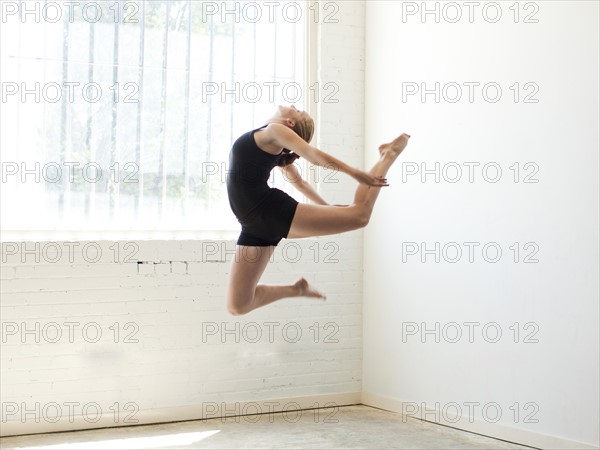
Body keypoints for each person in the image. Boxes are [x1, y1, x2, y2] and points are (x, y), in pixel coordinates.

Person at [226, 105, 410, 315]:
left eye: (298, 111)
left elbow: (312, 155)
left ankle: (387, 155)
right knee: (238, 305)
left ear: (290, 123)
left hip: (269, 212)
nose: (295, 107)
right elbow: (300, 183)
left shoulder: (275, 130)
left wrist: (354, 173)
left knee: (360, 215)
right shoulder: (269, 140)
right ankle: (296, 290)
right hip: (253, 226)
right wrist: (326, 208)